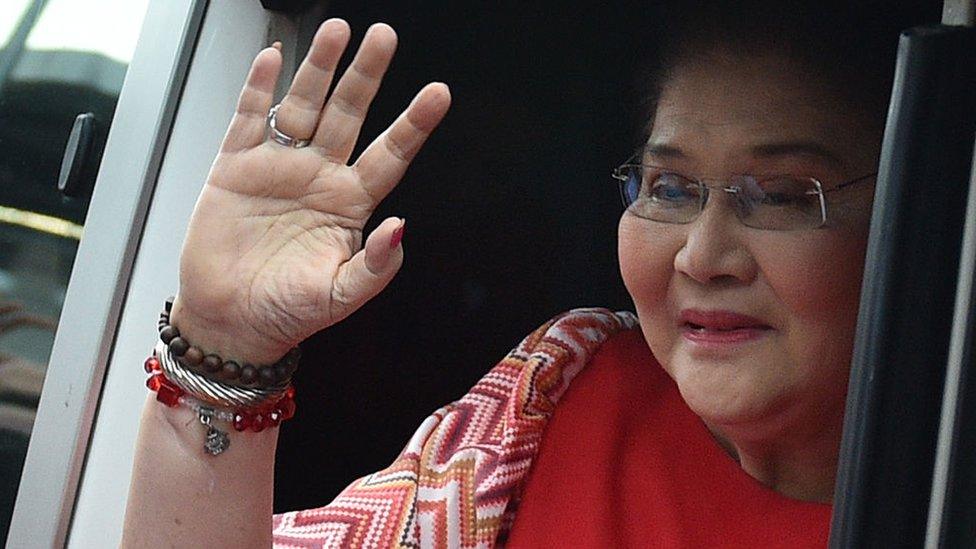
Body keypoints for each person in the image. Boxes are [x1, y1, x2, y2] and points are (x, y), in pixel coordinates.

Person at [120, 1, 941, 547]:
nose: (702, 255)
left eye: (781, 197)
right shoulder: (566, 382)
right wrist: (223, 342)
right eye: (671, 188)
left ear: (920, 213)